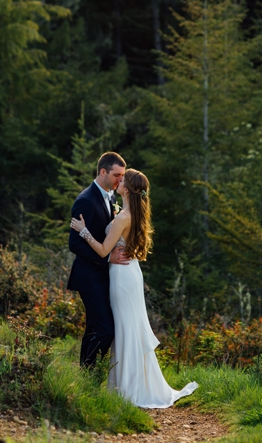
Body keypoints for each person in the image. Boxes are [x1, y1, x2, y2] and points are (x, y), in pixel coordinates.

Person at [70, 168, 198, 408]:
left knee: (126, 328)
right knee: (127, 327)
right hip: (129, 274)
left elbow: (102, 250)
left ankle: (128, 389)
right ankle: (129, 384)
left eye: (122, 179)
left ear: (126, 189)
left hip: (121, 276)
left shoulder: (122, 217)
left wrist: (83, 231)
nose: (118, 181)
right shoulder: (132, 213)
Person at [67, 152, 132, 368]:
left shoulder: (112, 197)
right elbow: (74, 244)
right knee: (105, 329)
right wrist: (106, 258)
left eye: (122, 176)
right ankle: (90, 372)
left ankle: (87, 375)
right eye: (117, 175)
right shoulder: (85, 200)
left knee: (95, 328)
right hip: (89, 276)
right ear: (102, 172)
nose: (120, 180)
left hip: (106, 277)